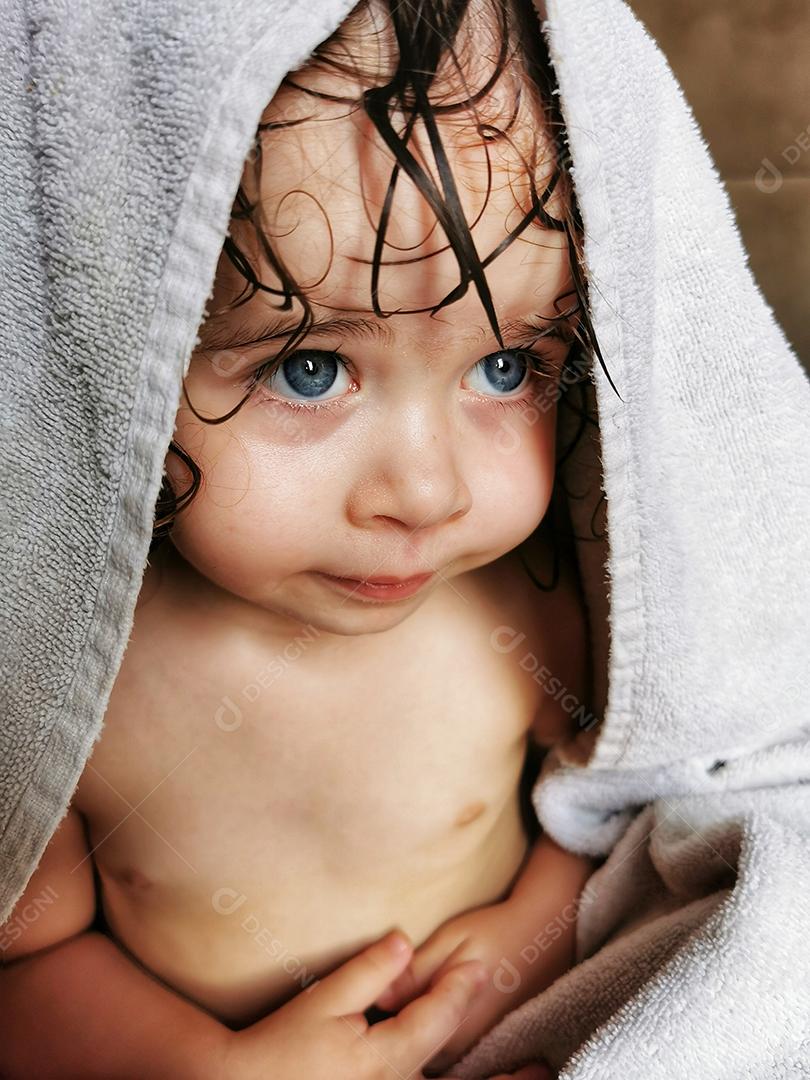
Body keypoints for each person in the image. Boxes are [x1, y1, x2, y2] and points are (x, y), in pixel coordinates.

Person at [1, 1, 601, 1076]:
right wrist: (205, 1068)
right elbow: (24, 972)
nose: (425, 492)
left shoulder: (533, 609)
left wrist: (524, 946)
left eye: (506, 368)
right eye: (309, 368)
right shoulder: (66, 681)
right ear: (114, 346)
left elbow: (619, 807)